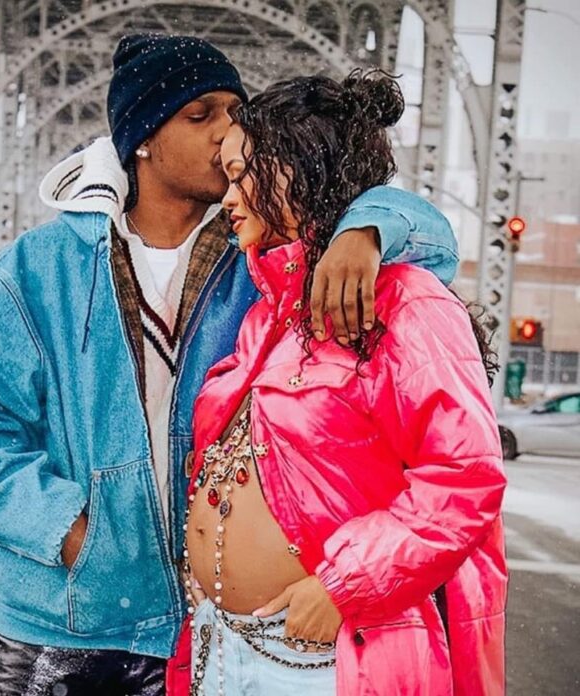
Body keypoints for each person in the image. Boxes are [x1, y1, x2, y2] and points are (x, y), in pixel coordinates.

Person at [0, 35, 459, 696]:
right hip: (52, 630)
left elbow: (430, 242)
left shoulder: (265, 258)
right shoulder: (32, 272)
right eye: (200, 114)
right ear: (142, 138)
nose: (227, 130)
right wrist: (71, 533)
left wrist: (364, 230)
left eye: (235, 112)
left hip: (201, 636)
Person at [176, 71, 506, 696]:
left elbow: (464, 478)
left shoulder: (406, 302)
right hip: (222, 645)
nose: (228, 198)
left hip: (322, 659)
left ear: (297, 168)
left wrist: (343, 586)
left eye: (243, 174)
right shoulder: (268, 314)